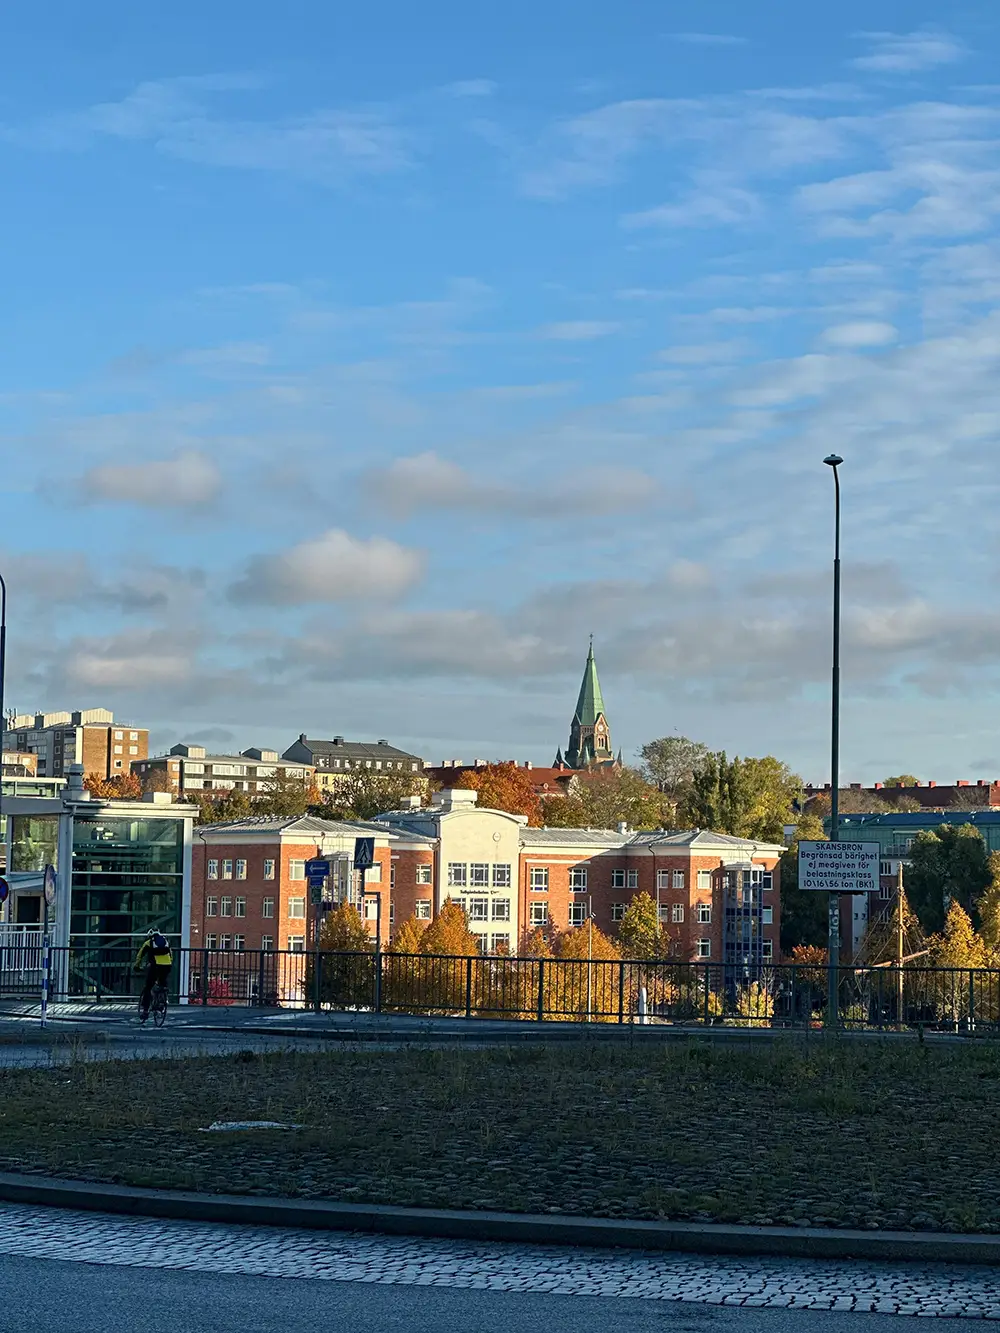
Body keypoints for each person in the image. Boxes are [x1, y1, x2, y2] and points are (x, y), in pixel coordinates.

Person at [135, 928, 173, 1022]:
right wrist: (169, 964)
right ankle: (162, 1000)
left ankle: (145, 1011)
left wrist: (136, 966)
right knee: (162, 983)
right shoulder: (165, 941)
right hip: (167, 965)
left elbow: (140, 955)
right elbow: (171, 954)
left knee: (148, 987)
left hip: (155, 966)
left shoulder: (148, 943)